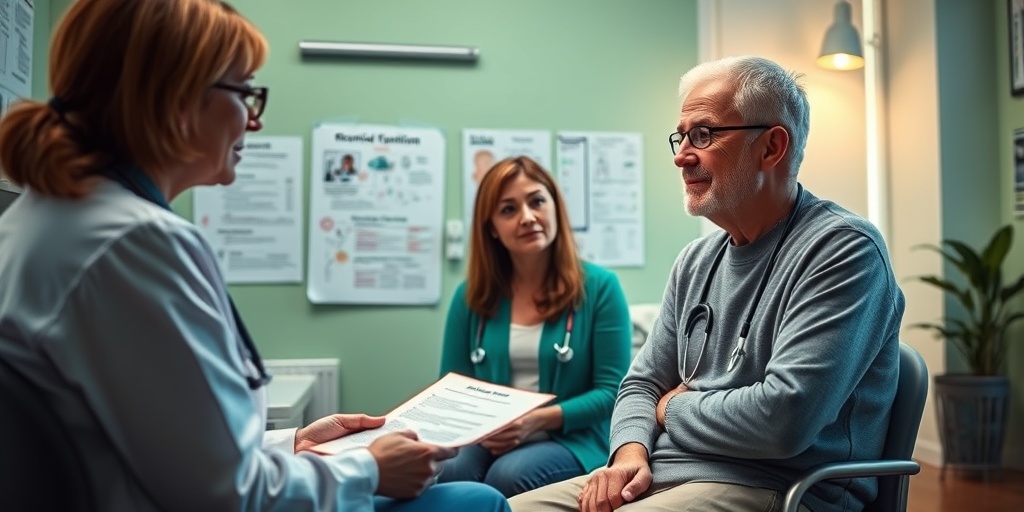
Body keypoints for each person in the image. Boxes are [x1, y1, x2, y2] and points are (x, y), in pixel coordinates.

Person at [0, 1, 509, 511]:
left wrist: (294, 442)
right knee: (476, 502)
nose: (255, 122)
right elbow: (228, 495)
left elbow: (171, 451)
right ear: (177, 98)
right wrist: (370, 469)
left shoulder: (47, 220)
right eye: (245, 93)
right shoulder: (136, 244)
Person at [510, 56, 906, 512]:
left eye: (704, 134)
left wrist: (671, 409)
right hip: (657, 475)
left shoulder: (843, 250)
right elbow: (640, 385)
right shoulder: (696, 260)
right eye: (681, 137)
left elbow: (783, 421)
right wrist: (629, 454)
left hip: (779, 488)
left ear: (772, 147)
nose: (681, 156)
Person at [438, 156, 633, 497]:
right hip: (490, 435)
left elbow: (613, 391)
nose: (528, 217)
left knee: (509, 476)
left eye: (537, 201)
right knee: (452, 468)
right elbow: (452, 390)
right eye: (509, 210)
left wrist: (534, 421)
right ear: (492, 228)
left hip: (575, 437)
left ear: (555, 207)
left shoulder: (600, 287)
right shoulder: (470, 297)